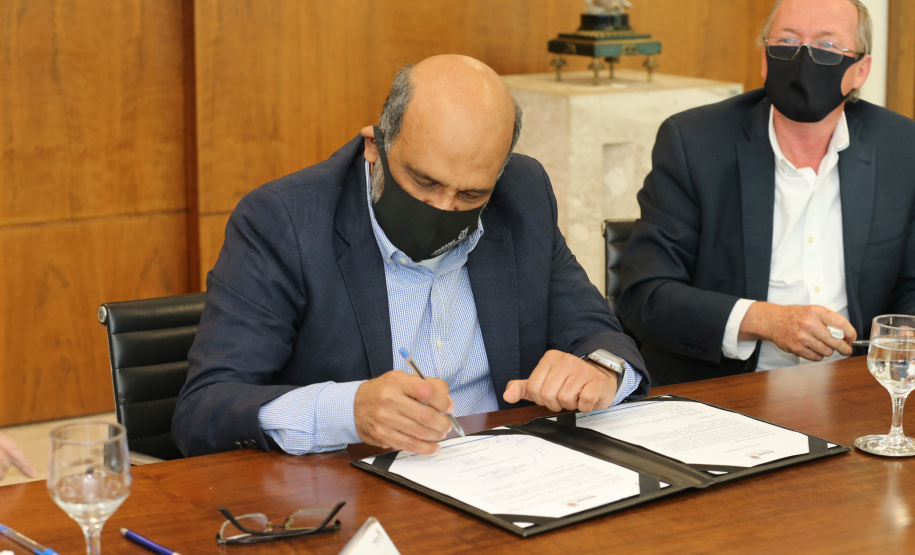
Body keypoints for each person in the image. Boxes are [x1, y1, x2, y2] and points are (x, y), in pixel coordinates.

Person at [173, 54, 649, 457]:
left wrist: (600, 370)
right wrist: (350, 411)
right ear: (374, 147)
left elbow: (596, 332)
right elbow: (205, 408)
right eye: (424, 182)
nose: (443, 209)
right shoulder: (285, 220)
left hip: (506, 475)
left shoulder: (522, 197)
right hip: (358, 492)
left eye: (470, 195)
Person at [619, 0, 915, 385]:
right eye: (787, 42)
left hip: (856, 386)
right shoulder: (695, 143)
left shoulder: (902, 147)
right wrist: (763, 320)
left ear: (861, 70)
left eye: (826, 47)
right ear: (764, 59)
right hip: (728, 390)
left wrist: (905, 334)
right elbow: (645, 295)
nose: (802, 58)